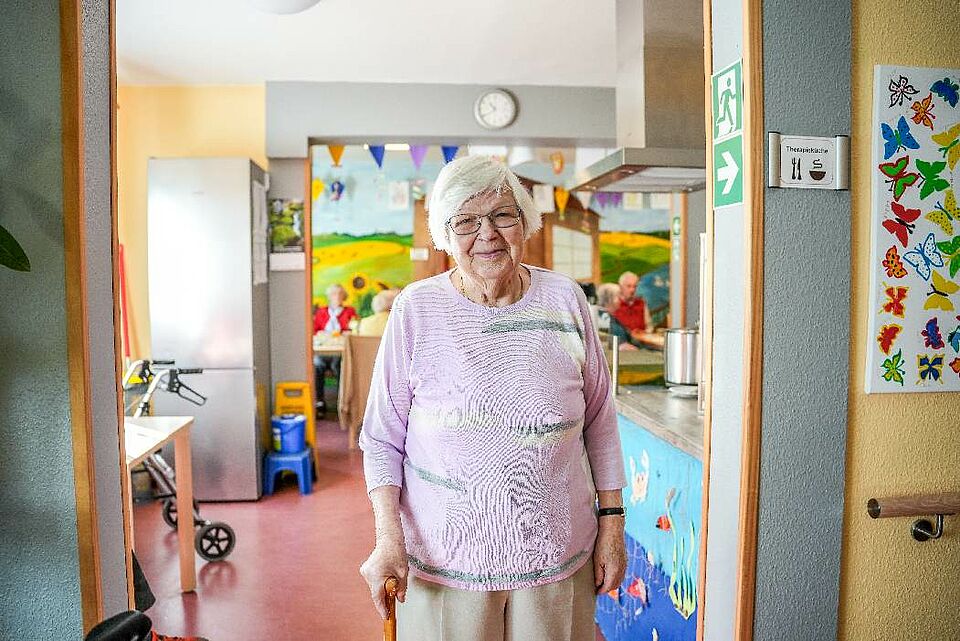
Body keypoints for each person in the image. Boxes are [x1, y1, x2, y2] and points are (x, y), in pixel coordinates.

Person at [358, 155, 627, 641]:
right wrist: (387, 539)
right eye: (465, 221)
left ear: (525, 222)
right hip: (445, 560)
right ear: (444, 234)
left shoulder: (565, 299)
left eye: (503, 215)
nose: (487, 234)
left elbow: (600, 423)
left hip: (556, 554)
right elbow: (381, 439)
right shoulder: (416, 309)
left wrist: (612, 523)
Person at [313, 283, 357, 414]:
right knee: (317, 364)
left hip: (340, 351)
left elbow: (354, 329)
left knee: (339, 365)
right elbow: (314, 331)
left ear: (344, 296)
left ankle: (341, 403)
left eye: (339, 294)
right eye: (333, 294)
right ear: (329, 296)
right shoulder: (321, 312)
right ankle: (320, 402)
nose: (336, 296)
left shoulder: (350, 311)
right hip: (323, 350)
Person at [596, 282, 640, 349]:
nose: (621, 299)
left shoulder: (604, 316)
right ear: (610, 299)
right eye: (618, 296)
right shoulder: (605, 319)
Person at [612, 271, 653, 337]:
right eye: (629, 286)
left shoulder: (641, 303)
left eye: (634, 286)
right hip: (621, 341)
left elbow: (649, 326)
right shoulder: (613, 304)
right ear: (620, 287)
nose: (632, 290)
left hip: (640, 341)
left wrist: (645, 332)